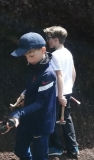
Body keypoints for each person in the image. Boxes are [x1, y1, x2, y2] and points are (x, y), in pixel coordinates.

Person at [3, 32, 57, 160]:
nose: (28, 60)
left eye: (31, 55)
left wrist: (17, 114)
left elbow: (40, 102)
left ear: (43, 50)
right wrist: (23, 94)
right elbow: (31, 87)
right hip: (27, 118)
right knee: (19, 150)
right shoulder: (33, 66)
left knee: (40, 156)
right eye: (26, 56)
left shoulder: (48, 74)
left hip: (41, 122)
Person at [44, 26, 79, 158]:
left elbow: (59, 76)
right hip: (67, 91)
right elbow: (73, 72)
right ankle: (73, 148)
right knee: (66, 119)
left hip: (57, 93)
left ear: (56, 39)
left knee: (51, 119)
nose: (47, 41)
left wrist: (59, 95)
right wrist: (69, 89)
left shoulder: (54, 55)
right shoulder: (68, 53)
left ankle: (56, 147)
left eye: (49, 38)